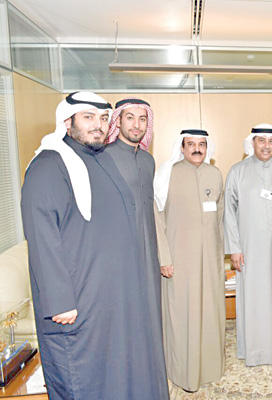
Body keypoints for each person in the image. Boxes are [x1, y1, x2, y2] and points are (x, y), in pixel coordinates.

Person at [21, 91, 168, 400]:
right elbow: (43, 237)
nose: (98, 125)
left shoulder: (101, 161)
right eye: (88, 117)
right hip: (76, 300)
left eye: (103, 118)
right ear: (67, 121)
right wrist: (60, 300)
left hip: (111, 294)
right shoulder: (49, 164)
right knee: (86, 376)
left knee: (119, 369)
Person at [224, 124, 272, 366]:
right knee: (255, 296)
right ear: (252, 143)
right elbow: (229, 212)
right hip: (249, 247)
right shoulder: (237, 171)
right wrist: (234, 248)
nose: (267, 146)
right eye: (262, 140)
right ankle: (256, 350)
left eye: (271, 141)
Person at [154, 129, 225, 391]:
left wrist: (220, 257)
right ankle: (183, 372)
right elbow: (157, 219)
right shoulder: (167, 174)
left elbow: (220, 218)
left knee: (210, 313)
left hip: (210, 261)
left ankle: (211, 368)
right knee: (182, 316)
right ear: (182, 147)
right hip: (179, 260)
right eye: (191, 144)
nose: (197, 149)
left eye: (202, 144)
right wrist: (164, 257)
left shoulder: (215, 174)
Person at [105, 98, 167, 381]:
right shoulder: (104, 157)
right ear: (118, 120)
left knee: (149, 316)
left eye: (142, 119)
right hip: (118, 255)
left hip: (148, 253)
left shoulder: (147, 160)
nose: (136, 125)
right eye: (130, 117)